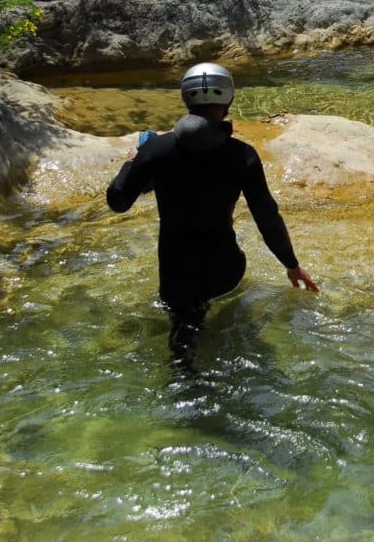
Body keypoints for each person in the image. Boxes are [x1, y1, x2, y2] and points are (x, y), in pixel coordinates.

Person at [107, 62, 318, 354]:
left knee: (184, 338)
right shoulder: (242, 155)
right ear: (228, 99)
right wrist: (292, 266)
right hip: (225, 274)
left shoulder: (154, 151)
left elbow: (117, 202)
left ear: (185, 97)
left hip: (175, 279)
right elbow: (266, 216)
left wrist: (131, 162)